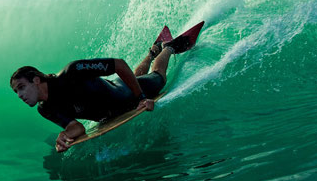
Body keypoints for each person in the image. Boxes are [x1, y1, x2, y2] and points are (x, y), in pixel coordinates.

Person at [10, 35, 191, 152]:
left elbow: (119, 65)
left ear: (35, 80)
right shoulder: (45, 109)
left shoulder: (73, 71)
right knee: (134, 77)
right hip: (115, 93)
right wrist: (64, 135)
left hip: (127, 96)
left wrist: (142, 98)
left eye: (21, 87)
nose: (19, 95)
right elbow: (77, 128)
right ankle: (152, 52)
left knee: (157, 78)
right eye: (16, 91)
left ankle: (168, 47)